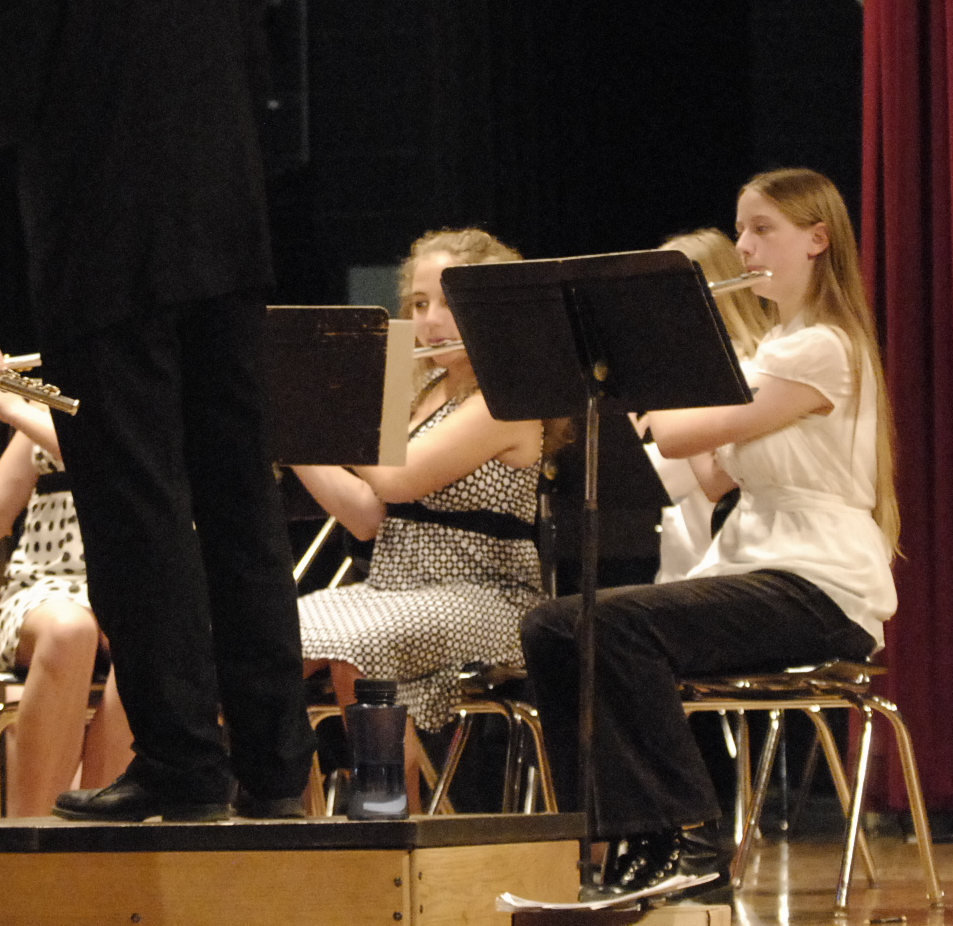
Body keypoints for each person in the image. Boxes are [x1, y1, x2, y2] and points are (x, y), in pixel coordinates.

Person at [0, 0, 313, 820]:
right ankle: (277, 771)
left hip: (106, 262)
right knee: (241, 505)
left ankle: (185, 767)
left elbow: (9, 107)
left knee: (137, 514)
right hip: (228, 246)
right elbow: (258, 63)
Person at [519, 168, 898, 906]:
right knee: (553, 626)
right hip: (758, 564)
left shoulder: (822, 347)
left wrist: (647, 346)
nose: (745, 246)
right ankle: (619, 840)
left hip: (821, 584)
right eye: (741, 229)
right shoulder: (773, 348)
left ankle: (689, 839)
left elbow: (682, 433)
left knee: (616, 626)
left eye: (763, 229)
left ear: (817, 240)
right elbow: (710, 467)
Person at [289, 228, 549, 806]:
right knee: (262, 641)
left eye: (449, 304)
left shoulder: (504, 400)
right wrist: (290, 430)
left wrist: (319, 407)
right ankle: (281, 812)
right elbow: (367, 516)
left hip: (486, 594)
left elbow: (399, 479)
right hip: (392, 588)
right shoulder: (422, 391)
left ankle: (385, 816)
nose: (431, 321)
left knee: (358, 644)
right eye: (420, 304)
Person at [0, 387, 135, 815]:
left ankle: (102, 835)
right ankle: (32, 830)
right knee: (69, 631)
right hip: (46, 585)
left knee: (151, 640)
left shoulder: (160, 386)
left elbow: (116, 454)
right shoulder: (54, 395)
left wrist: (14, 410)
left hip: (138, 583)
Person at [648, 228, 771, 582]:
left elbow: (677, 478)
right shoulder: (690, 373)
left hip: (735, 573)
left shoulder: (745, 370)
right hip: (686, 572)